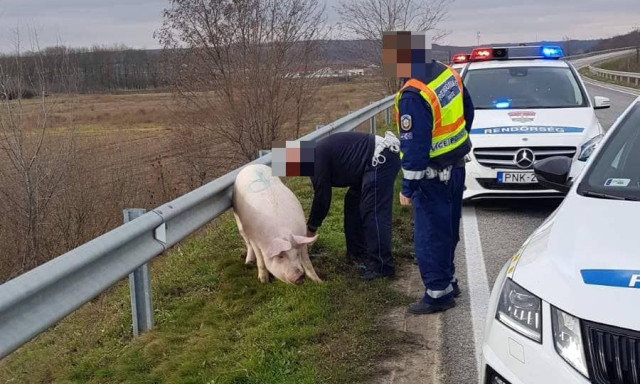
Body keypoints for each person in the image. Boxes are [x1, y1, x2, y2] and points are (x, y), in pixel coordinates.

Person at [397, 59, 475, 314]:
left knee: (430, 236)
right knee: (448, 230)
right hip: (456, 168)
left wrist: (407, 187)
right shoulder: (447, 73)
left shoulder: (413, 93)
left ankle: (438, 294)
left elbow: (415, 146)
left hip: (432, 177)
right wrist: (455, 145)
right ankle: (449, 282)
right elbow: (468, 110)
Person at [306, 131, 401, 280]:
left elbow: (322, 198)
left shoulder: (313, 160)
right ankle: (357, 254)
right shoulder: (314, 153)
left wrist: (311, 228)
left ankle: (383, 267)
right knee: (352, 204)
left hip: (381, 158)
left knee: (373, 211)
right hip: (367, 165)